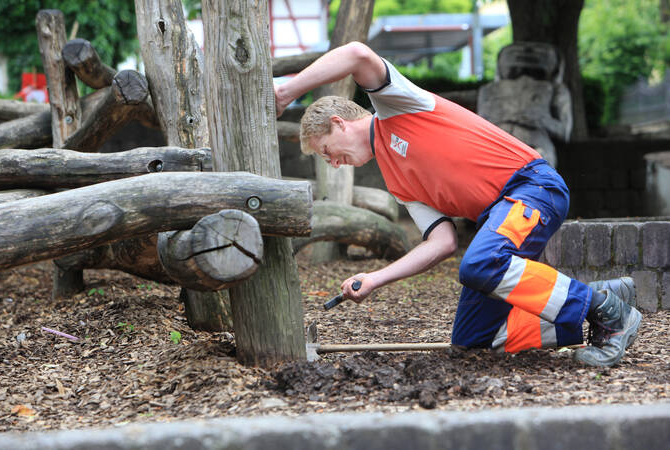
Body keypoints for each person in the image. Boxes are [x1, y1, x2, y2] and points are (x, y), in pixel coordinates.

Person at [274, 42, 641, 367]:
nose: (334, 163)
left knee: (481, 263)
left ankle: (611, 315)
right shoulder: (397, 183)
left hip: (533, 187)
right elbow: (441, 242)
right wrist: (375, 278)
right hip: (500, 214)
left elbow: (356, 54)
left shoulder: (396, 105)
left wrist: (286, 92)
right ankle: (597, 301)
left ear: (339, 124)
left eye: (327, 152)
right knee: (473, 340)